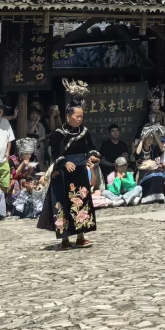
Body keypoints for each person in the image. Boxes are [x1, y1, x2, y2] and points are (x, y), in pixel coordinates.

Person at [38, 98, 99, 249]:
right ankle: (64, 239)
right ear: (68, 116)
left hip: (79, 172)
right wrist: (64, 162)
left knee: (81, 203)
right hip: (63, 174)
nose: (79, 119)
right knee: (63, 203)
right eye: (77, 116)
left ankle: (80, 237)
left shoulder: (84, 132)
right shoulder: (59, 133)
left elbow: (92, 148)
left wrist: (91, 157)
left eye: (81, 116)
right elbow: (54, 153)